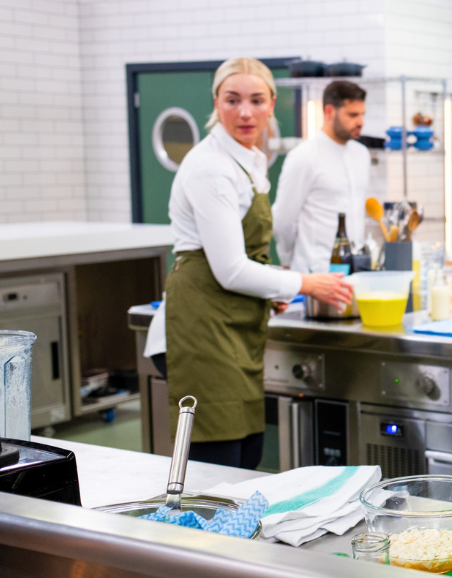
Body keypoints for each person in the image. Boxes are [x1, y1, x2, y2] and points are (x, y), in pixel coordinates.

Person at [144, 58, 353, 469]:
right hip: (199, 332)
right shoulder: (211, 167)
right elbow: (229, 269)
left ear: (272, 103)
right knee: (216, 471)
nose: (245, 112)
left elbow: (237, 256)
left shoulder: (248, 160)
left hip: (229, 324)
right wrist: (305, 283)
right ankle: (201, 537)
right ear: (216, 103)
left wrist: (274, 283)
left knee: (245, 458)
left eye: (256, 100)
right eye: (232, 99)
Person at [273, 81, 371, 273]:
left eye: (362, 114)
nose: (360, 122)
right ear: (329, 112)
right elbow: (283, 220)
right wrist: (287, 259)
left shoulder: (362, 154)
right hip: (316, 270)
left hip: (355, 270)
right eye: (352, 115)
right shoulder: (304, 156)